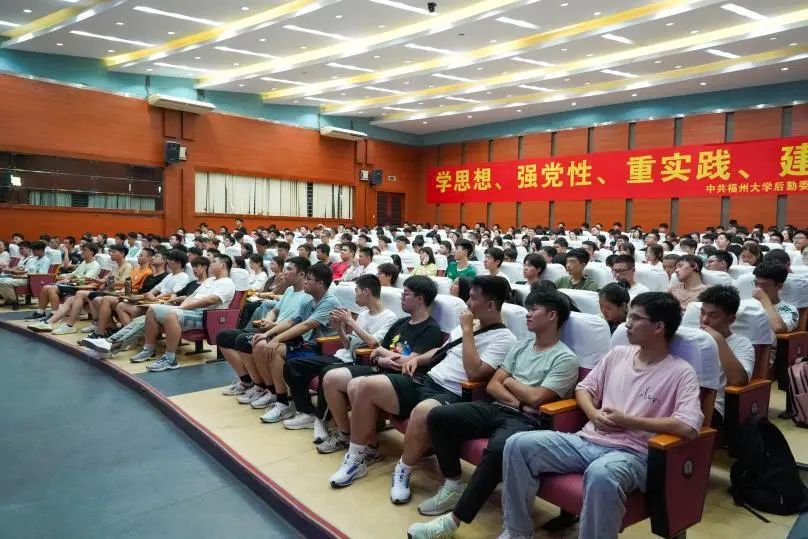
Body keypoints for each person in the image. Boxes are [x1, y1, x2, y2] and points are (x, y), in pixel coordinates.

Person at [498, 292, 703, 539]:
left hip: (634, 453)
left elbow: (688, 426)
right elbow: (584, 389)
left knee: (602, 473)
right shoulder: (617, 354)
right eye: (629, 317)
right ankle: (517, 532)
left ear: (659, 327)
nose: (627, 324)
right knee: (517, 444)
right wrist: (594, 414)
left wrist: (629, 421)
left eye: (636, 318)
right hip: (588, 440)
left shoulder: (681, 372)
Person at [328, 276, 517, 505]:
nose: (467, 303)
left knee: (421, 411)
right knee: (364, 386)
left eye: (473, 298)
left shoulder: (504, 338)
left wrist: (467, 330)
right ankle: (356, 458)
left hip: (453, 393)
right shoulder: (469, 325)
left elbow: (475, 372)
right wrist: (418, 359)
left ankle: (403, 469)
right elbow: (443, 349)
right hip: (428, 379)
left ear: (490, 304)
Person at [407, 289, 579, 538]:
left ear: (552, 316)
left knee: (499, 448)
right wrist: (517, 396)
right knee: (438, 416)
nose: (527, 314)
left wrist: (509, 382)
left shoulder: (565, 358)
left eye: (534, 310)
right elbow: (493, 386)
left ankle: (451, 523)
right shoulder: (521, 346)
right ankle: (453, 484)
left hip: (529, 422)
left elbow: (538, 398)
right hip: (502, 408)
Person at [316, 276, 444, 454]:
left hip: (404, 378)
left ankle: (371, 446)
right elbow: (375, 352)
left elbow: (407, 362)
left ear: (420, 299)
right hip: (380, 368)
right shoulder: (401, 323)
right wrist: (381, 358)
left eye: (406, 294)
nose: (401, 298)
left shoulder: (431, 329)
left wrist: (383, 353)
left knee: (357, 385)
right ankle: (344, 434)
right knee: (331, 378)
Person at [281, 274, 398, 435]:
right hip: (343, 355)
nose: (355, 296)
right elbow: (348, 344)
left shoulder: (389, 317)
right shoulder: (364, 314)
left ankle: (321, 419)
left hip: (360, 361)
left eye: (356, 291)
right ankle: (307, 411)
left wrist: (350, 322)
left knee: (327, 372)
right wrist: (339, 328)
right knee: (292, 365)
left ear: (366, 292)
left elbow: (372, 344)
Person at [252, 262, 341, 423]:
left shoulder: (329, 302)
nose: (304, 282)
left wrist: (277, 339)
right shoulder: (308, 300)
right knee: (270, 347)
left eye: (309, 279)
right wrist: (267, 334)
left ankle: (290, 405)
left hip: (327, 349)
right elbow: (292, 322)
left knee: (277, 350)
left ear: (320, 283)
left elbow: (306, 325)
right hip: (310, 345)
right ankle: (282, 401)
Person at [80, 257, 209, 357]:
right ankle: (109, 344)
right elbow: (178, 294)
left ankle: (109, 344)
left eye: (196, 267)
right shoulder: (193, 283)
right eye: (192, 267)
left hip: (183, 312)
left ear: (204, 268)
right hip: (173, 308)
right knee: (139, 320)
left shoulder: (209, 284)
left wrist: (178, 300)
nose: (194, 269)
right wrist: (175, 298)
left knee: (142, 316)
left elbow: (194, 299)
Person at [226, 257, 312, 404]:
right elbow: (275, 310)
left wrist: (272, 328)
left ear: (302, 274)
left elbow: (296, 323)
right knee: (225, 336)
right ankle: (252, 383)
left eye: (289, 269)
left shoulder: (308, 296)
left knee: (247, 341)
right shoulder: (289, 290)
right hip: (275, 329)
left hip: (288, 334)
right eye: (285, 269)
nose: (285, 273)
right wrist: (268, 320)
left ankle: (268, 389)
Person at [130, 254, 235, 371]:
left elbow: (210, 300)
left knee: (173, 315)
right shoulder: (210, 280)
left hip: (206, 316)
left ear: (223, 265)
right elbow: (192, 296)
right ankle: (148, 350)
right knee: (153, 309)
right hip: (190, 311)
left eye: (214, 261)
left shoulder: (227, 282)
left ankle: (170, 359)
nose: (210, 264)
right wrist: (182, 307)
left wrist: (182, 308)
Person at [697, 285, 754, 427]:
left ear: (731, 319)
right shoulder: (691, 338)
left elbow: (739, 380)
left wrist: (717, 339)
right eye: (702, 313)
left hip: (713, 406)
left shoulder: (742, 343)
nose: (704, 320)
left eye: (713, 316)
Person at [27, 243, 101, 321]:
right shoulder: (84, 263)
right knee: (46, 287)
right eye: (82, 250)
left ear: (92, 252)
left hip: (81, 287)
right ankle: (40, 312)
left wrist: (70, 280)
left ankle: (55, 314)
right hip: (73, 284)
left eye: (84, 250)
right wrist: (66, 279)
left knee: (52, 288)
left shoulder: (95, 265)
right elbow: (73, 273)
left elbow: (87, 278)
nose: (82, 252)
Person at [0, 241, 50, 308]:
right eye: (33, 250)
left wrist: (20, 276)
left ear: (41, 250)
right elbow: (26, 270)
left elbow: (40, 275)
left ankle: (14, 301)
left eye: (34, 251)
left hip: (33, 281)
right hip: (26, 278)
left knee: (6, 283)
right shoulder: (35, 259)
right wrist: (17, 275)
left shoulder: (45, 260)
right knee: (1, 281)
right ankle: (11, 300)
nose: (33, 252)